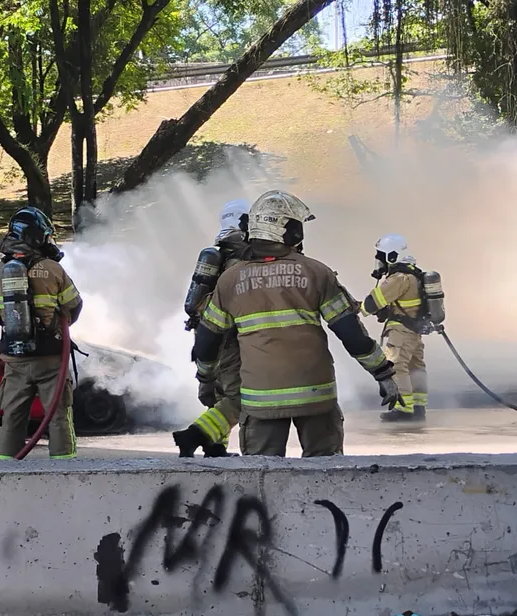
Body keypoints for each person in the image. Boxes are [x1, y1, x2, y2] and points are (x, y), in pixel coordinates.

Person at [190, 190, 401, 457]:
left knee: (261, 480)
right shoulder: (316, 273)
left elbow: (208, 341)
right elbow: (351, 333)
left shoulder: (230, 280)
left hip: (260, 402)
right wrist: (382, 373)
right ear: (288, 231)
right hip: (317, 399)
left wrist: (206, 380)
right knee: (326, 475)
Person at [0, 207, 83, 460]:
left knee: (13, 416)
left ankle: (5, 468)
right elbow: (74, 306)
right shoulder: (52, 269)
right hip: (50, 358)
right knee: (58, 415)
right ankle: (64, 469)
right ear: (39, 236)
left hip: (14, 359)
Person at [172, 199, 250, 458]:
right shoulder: (239, 262)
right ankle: (195, 436)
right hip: (230, 337)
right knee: (238, 398)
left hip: (208, 333)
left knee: (219, 396)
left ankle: (216, 447)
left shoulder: (220, 256)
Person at [360, 234, 429, 422]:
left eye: (381, 256)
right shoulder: (414, 274)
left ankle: (404, 409)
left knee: (396, 366)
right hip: (414, 331)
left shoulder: (399, 278)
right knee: (416, 367)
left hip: (401, 331)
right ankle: (418, 406)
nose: (379, 261)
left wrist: (357, 308)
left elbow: (374, 301)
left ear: (392, 256)